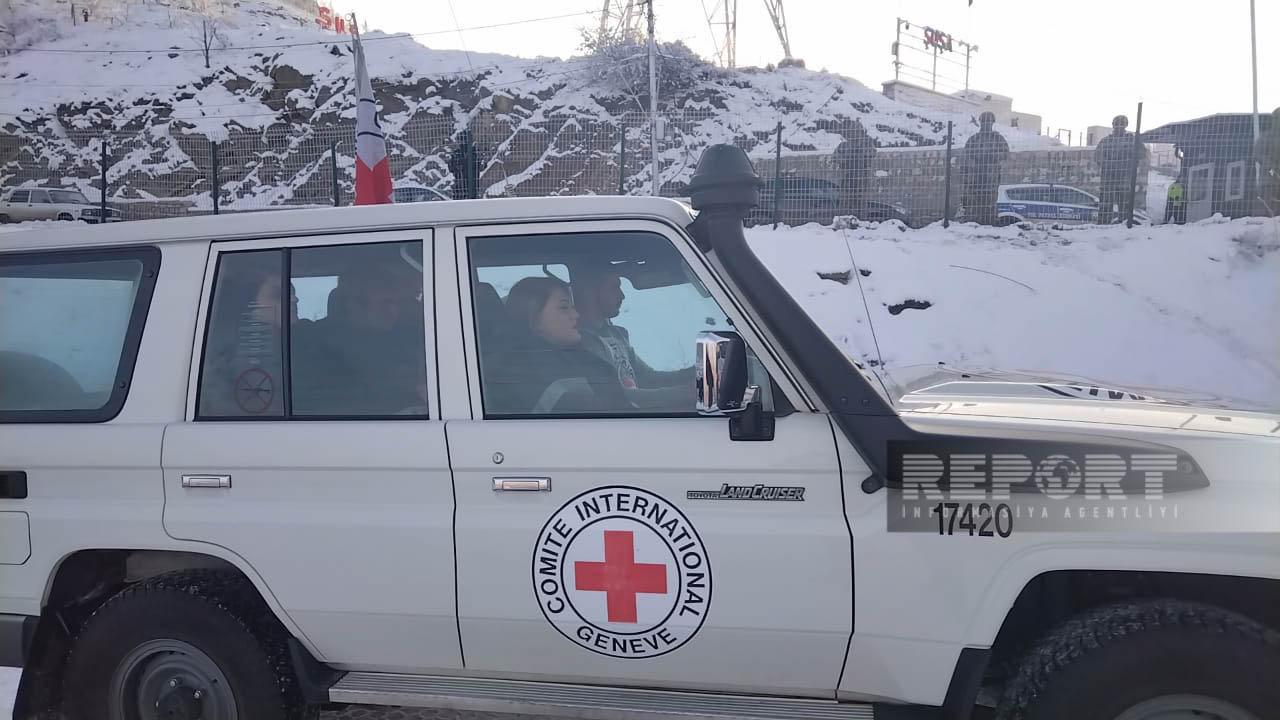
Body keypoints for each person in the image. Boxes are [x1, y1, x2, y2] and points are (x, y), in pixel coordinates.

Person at [485, 276, 627, 415]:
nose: (575, 315)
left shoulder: (577, 358)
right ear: (534, 317)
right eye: (564, 307)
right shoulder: (525, 372)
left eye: (573, 307)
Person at [571, 264, 693, 410]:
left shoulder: (616, 334)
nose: (622, 295)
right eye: (614, 288)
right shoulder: (581, 343)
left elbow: (647, 378)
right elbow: (622, 398)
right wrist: (688, 393)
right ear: (590, 292)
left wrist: (694, 373)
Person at [1094, 115, 1147, 224]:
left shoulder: (1132, 140)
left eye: (1121, 124)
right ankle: (1103, 226)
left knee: (1124, 206)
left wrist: (1130, 158)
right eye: (1117, 124)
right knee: (1106, 206)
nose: (1119, 127)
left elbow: (1142, 154)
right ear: (1113, 125)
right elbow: (1098, 157)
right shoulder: (1106, 141)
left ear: (1125, 126)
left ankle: (1123, 225)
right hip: (1109, 178)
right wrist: (1111, 165)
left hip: (1124, 178)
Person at [960, 111, 1009, 225]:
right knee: (974, 202)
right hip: (975, 177)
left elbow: (1005, 154)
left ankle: (989, 223)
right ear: (980, 122)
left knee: (990, 202)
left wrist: (992, 156)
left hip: (991, 177)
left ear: (992, 123)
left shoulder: (998, 139)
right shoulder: (974, 139)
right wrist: (974, 162)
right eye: (984, 122)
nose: (986, 124)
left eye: (988, 122)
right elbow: (966, 156)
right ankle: (973, 222)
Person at [833, 120, 877, 219]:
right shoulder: (844, 146)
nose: (855, 134)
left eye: (857, 132)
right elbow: (834, 157)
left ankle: (861, 222)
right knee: (845, 203)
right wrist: (844, 159)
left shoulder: (867, 144)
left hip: (862, 179)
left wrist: (863, 149)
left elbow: (873, 153)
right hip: (847, 179)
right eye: (853, 131)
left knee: (861, 203)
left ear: (862, 133)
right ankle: (845, 220)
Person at [1255, 107, 1280, 216]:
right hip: (1268, 181)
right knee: (1268, 212)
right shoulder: (1265, 137)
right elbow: (1257, 154)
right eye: (1277, 118)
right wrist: (1271, 165)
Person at [448, 129, 483, 200]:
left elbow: (481, 166)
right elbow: (451, 168)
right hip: (466, 184)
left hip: (467, 184)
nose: (462, 142)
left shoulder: (473, 153)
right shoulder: (473, 152)